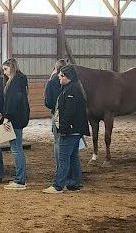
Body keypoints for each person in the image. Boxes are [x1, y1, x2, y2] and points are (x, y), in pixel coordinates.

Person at [43, 65, 90, 194]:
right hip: (75, 130)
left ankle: (58, 185)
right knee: (73, 157)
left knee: (63, 158)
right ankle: (74, 183)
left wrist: (63, 129)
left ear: (67, 77)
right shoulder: (72, 88)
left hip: (70, 130)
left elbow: (69, 113)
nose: (59, 78)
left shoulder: (71, 91)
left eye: (61, 76)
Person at [0, 58, 30, 190]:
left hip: (15, 119)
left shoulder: (15, 82)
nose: (4, 72)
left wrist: (7, 116)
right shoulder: (18, 80)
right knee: (16, 148)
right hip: (18, 117)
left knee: (16, 149)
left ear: (11, 68)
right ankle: (20, 178)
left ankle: (20, 180)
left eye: (6, 69)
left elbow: (12, 100)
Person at [44, 59, 69, 171]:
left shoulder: (51, 82)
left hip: (57, 114)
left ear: (55, 69)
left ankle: (60, 169)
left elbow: (48, 103)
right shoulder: (71, 82)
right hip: (70, 115)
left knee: (58, 143)